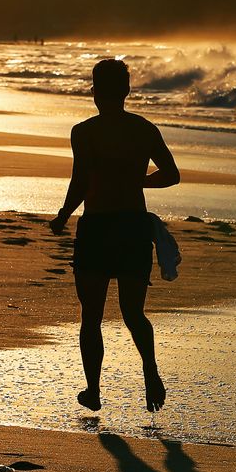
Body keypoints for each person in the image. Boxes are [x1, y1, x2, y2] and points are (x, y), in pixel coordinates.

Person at [50, 59, 180, 413]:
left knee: (91, 316)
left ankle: (93, 390)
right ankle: (150, 371)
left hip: (97, 227)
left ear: (93, 91)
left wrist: (63, 215)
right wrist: (138, 180)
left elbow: (80, 181)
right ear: (127, 91)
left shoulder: (84, 131)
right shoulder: (143, 128)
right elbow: (171, 174)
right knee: (133, 312)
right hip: (133, 227)